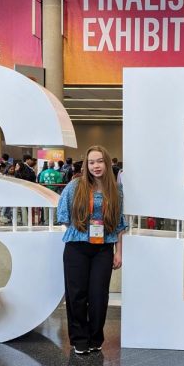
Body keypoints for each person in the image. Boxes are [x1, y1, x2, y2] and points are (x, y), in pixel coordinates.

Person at [57, 145, 127, 355]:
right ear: (86, 165)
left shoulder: (116, 190)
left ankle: (96, 337)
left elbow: (119, 224)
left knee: (98, 295)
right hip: (77, 246)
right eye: (91, 162)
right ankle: (79, 338)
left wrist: (118, 251)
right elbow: (63, 215)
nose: (96, 166)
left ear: (107, 163)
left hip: (103, 248)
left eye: (99, 161)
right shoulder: (74, 186)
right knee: (76, 294)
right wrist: (82, 230)